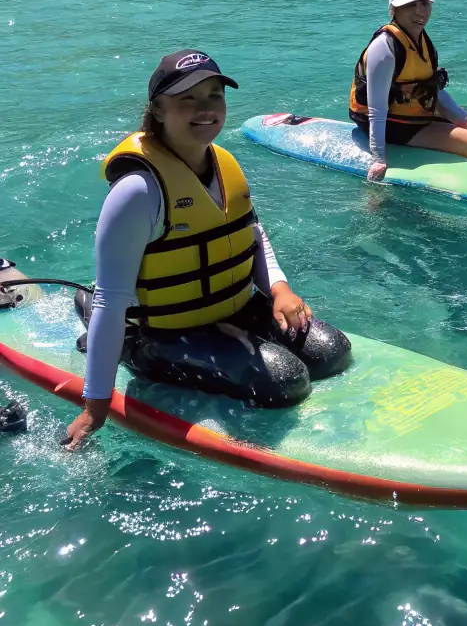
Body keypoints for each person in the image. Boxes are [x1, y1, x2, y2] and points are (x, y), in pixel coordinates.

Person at [63, 50, 351, 451]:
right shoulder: (138, 191)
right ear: (158, 110)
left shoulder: (224, 163)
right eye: (188, 99)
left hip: (234, 308)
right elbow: (111, 302)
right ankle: (128, 344)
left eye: (215, 95)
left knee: (331, 352)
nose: (206, 109)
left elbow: (252, 235)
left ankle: (228, 334)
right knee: (285, 380)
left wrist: (280, 289)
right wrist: (95, 407)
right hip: (165, 331)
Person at [350, 0, 467, 183]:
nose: (420, 11)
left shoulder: (422, 41)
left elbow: (431, 87)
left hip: (413, 114)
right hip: (388, 121)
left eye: (424, 4)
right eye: (410, 5)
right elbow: (376, 109)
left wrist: (462, 119)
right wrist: (379, 158)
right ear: (394, 9)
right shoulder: (384, 47)